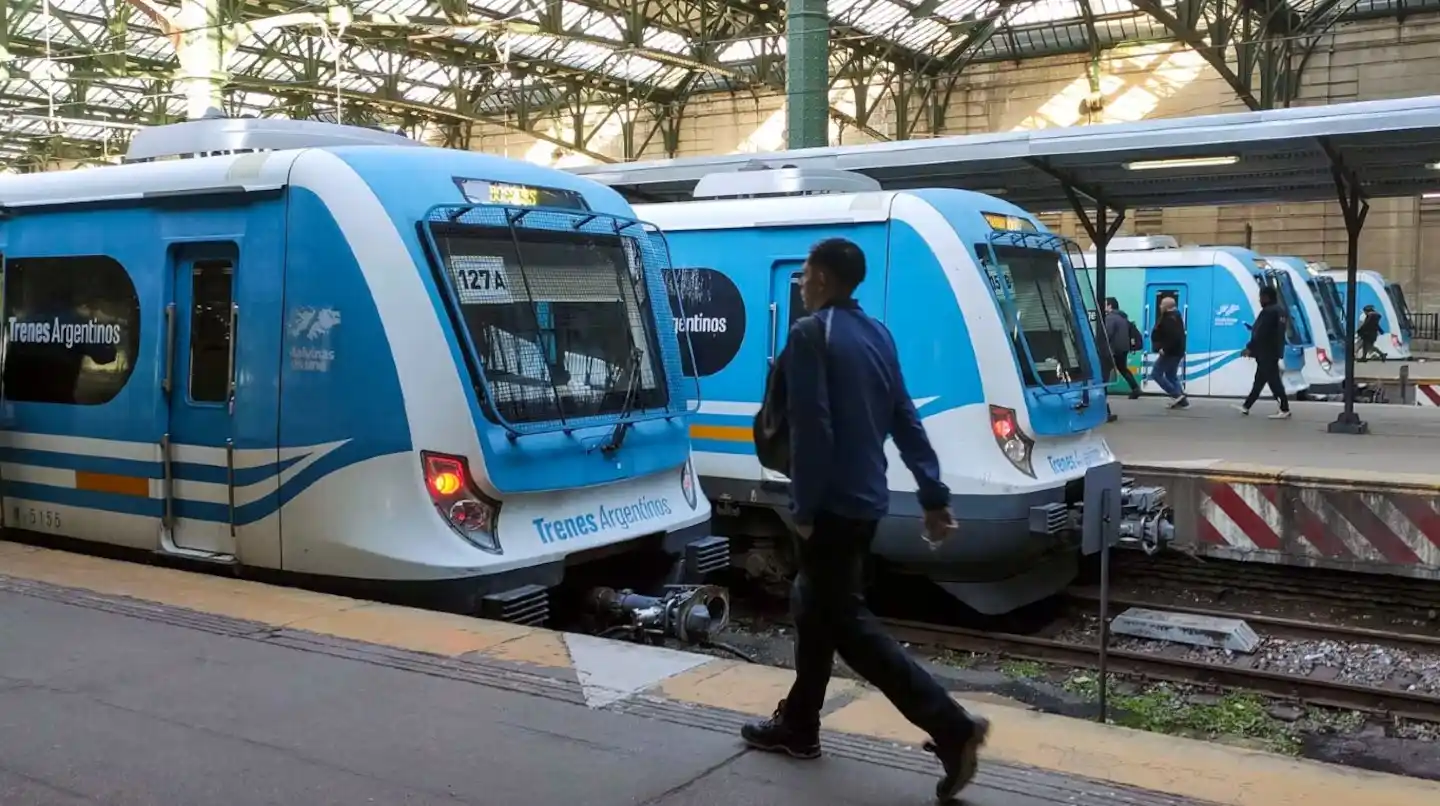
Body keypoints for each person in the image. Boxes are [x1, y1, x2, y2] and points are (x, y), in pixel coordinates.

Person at [742, 237, 989, 801]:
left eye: (805, 273)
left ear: (823, 279)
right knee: (814, 607)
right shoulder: (878, 334)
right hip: (867, 500)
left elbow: (813, 427)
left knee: (847, 626)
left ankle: (953, 727)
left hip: (829, 506)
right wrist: (932, 494)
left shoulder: (811, 334)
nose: (801, 283)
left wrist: (804, 509)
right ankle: (799, 726)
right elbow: (905, 417)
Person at [1235, 286, 1292, 419]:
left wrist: (1250, 347)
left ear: (1266, 297)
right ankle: (1246, 406)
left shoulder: (1268, 312)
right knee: (1260, 381)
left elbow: (1262, 333)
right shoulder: (1280, 311)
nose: (1260, 300)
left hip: (1266, 353)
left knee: (1274, 382)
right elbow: (1274, 331)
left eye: (1261, 297)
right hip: (1273, 351)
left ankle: (1284, 408)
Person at [1149, 296, 1189, 409]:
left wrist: (1164, 348)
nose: (1160, 306)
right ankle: (1182, 402)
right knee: (1171, 376)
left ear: (1167, 306)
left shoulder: (1170, 318)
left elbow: (1173, 337)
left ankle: (1177, 395)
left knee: (1156, 374)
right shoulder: (1175, 316)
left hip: (1169, 352)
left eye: (1162, 304)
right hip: (1176, 352)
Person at [1103, 297, 1142, 400]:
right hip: (1123, 348)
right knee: (1123, 369)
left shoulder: (1110, 318)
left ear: (1109, 306)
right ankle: (1135, 388)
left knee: (1105, 369)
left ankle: (1102, 391)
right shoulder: (1123, 317)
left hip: (1113, 349)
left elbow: (1108, 333)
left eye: (1105, 304)